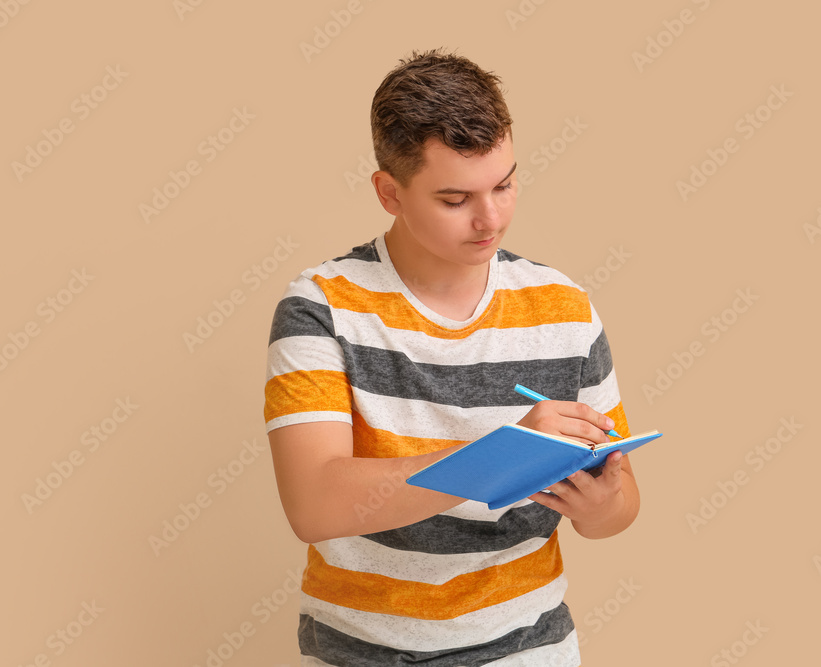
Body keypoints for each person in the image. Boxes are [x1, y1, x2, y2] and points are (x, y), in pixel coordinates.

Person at [264, 47, 639, 666]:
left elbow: (620, 506)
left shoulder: (564, 307)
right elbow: (315, 503)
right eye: (454, 198)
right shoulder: (321, 306)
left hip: (529, 648)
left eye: (505, 184)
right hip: (362, 653)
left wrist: (602, 507)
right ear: (389, 193)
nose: (490, 219)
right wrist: (506, 455)